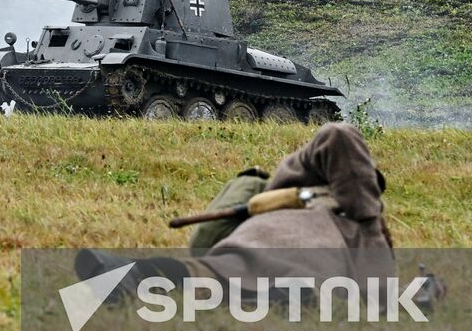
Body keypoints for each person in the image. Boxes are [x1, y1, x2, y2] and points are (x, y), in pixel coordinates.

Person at [77, 123, 396, 297]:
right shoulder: (352, 214)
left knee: (214, 275)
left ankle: (132, 273)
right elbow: (338, 135)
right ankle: (129, 273)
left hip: (268, 246)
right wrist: (369, 222)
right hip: (288, 242)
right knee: (222, 274)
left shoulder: (355, 221)